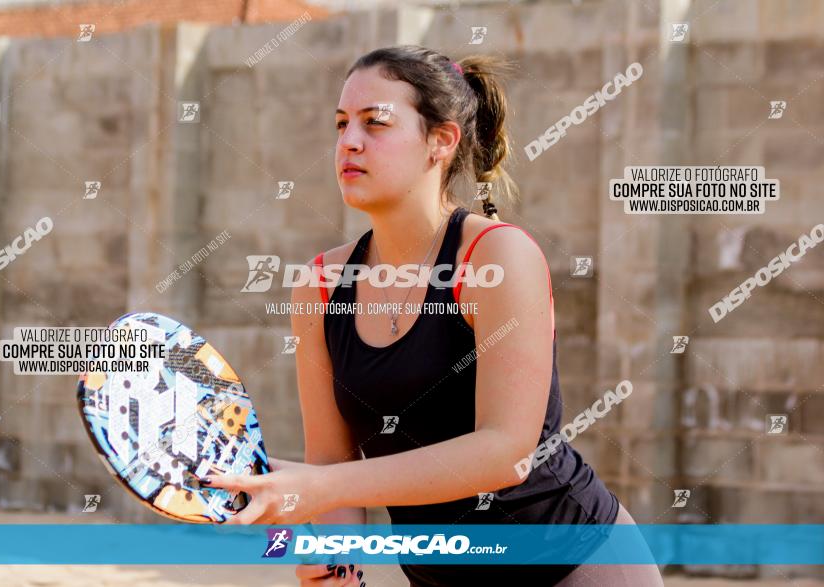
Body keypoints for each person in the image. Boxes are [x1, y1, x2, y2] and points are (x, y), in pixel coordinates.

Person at [201, 45, 663, 586]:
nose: (349, 141)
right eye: (342, 124)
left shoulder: (496, 257)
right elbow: (330, 459)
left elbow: (505, 452)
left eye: (376, 123)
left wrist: (325, 488)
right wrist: (337, 561)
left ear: (441, 142)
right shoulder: (320, 286)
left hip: (573, 566)